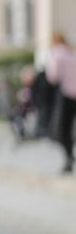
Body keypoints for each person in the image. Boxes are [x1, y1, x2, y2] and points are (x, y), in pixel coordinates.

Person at [46, 32, 76, 173]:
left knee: (63, 129)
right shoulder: (72, 53)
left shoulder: (57, 54)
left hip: (66, 96)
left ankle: (69, 157)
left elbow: (52, 77)